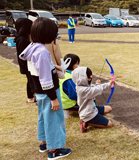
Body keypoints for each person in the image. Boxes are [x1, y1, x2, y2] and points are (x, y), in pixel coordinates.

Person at [19, 17, 71, 159]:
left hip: (39, 92)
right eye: (54, 34)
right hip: (48, 93)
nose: (55, 37)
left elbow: (37, 68)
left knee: (43, 117)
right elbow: (45, 78)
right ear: (47, 34)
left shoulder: (32, 47)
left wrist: (53, 66)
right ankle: (54, 151)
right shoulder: (42, 51)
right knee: (53, 119)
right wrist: (53, 98)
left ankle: (44, 143)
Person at [72, 67, 113, 133]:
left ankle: (96, 120)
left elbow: (97, 87)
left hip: (93, 109)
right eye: (89, 77)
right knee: (109, 124)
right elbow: (96, 89)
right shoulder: (82, 90)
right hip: (88, 114)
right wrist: (98, 84)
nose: (90, 79)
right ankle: (86, 122)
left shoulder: (85, 85)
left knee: (109, 108)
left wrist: (109, 84)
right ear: (82, 78)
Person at [14, 18, 36, 103]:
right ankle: (30, 98)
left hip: (27, 63)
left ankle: (33, 95)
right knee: (30, 80)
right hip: (26, 64)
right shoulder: (22, 39)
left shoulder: (24, 37)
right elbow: (23, 54)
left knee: (31, 79)